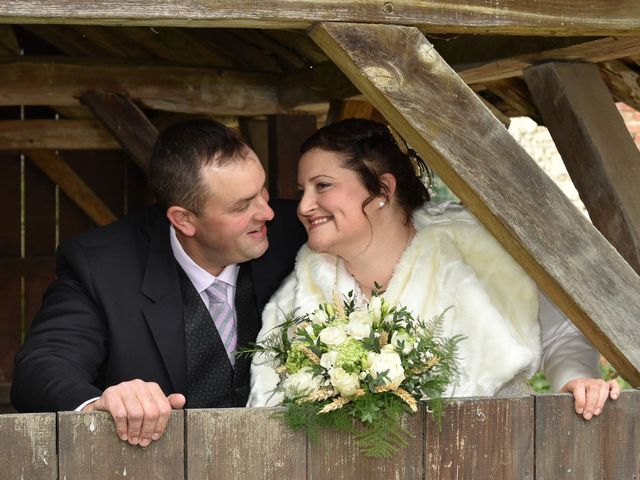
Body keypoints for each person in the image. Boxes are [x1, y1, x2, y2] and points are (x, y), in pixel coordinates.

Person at [247, 118, 620, 419]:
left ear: (382, 190)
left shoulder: (476, 255)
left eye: (322, 186)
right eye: (302, 191)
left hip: (493, 451)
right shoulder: (301, 288)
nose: (304, 206)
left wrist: (577, 379)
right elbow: (269, 392)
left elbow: (560, 333)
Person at [11, 119, 306, 446]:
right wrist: (101, 401)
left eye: (262, 190)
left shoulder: (300, 232)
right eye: (241, 206)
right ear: (183, 220)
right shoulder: (101, 266)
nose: (267, 213)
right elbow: (40, 366)